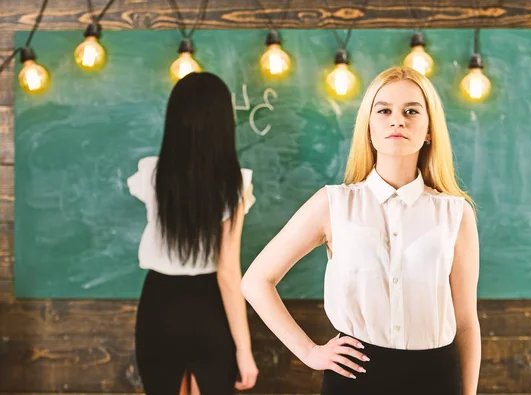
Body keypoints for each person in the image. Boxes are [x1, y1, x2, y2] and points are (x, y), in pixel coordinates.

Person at [241, 66, 481, 394]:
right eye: (384, 110)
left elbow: (466, 321)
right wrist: (309, 352)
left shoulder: (456, 214)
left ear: (429, 129)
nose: (398, 120)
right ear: (368, 127)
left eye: (412, 111)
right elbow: (255, 281)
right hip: (355, 378)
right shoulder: (333, 203)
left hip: (436, 378)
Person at [127, 72, 259, 395]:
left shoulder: (150, 174)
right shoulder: (234, 185)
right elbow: (228, 273)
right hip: (209, 307)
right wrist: (245, 350)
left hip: (159, 304)